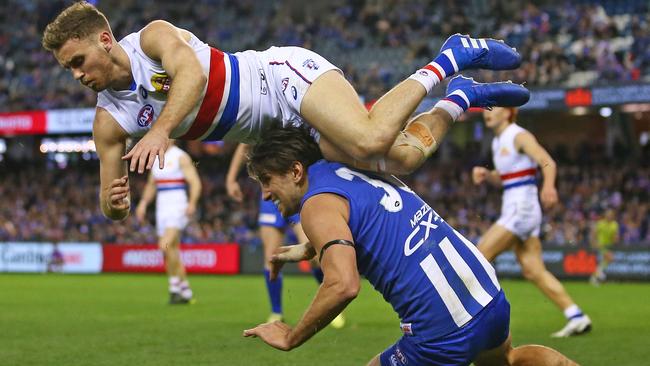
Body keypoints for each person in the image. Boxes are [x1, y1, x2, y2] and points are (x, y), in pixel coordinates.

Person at [42, 1, 529, 222]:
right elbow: (110, 201)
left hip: (281, 77)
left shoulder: (152, 37)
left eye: (79, 61)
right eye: (69, 69)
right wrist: (115, 205)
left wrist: (161, 132)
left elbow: (190, 77)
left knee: (368, 140)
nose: (78, 75)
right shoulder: (109, 120)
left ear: (105, 40)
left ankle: (451, 56)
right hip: (278, 130)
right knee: (401, 159)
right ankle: (460, 96)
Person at [242, 126, 578, 366]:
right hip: (487, 296)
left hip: (442, 331)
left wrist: (291, 337)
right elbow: (365, 221)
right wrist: (303, 250)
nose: (265, 195)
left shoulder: (316, 205)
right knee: (508, 359)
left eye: (267, 181)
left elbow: (342, 285)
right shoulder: (345, 167)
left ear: (296, 171)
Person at [471, 107, 591, 338]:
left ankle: (467, 322)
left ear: (507, 113)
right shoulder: (499, 142)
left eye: (493, 108)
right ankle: (576, 316)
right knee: (534, 270)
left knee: (477, 257)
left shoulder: (519, 135)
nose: (487, 112)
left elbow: (547, 162)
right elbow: (509, 177)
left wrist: (548, 186)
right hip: (519, 207)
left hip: (521, 208)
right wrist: (487, 175)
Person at [226, 143, 345, 327]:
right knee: (271, 256)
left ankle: (332, 306)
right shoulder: (260, 119)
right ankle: (276, 311)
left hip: (296, 190)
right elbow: (243, 146)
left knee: (314, 254)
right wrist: (231, 178)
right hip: (270, 195)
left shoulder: (294, 119)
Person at [135, 142, 201, 304]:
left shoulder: (181, 156)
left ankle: (174, 288)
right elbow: (151, 184)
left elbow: (195, 182)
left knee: (164, 244)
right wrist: (143, 203)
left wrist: (192, 202)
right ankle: (185, 291)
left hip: (177, 205)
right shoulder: (156, 156)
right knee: (171, 249)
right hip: (162, 207)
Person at [589, 208, 619, 286]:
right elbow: (594, 234)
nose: (609, 216)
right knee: (610, 258)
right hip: (601, 245)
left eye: (610, 215)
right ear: (605, 215)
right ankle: (600, 275)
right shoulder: (600, 223)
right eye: (607, 215)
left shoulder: (615, 224)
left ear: (613, 216)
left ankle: (595, 277)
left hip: (609, 246)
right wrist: (594, 243)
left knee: (606, 261)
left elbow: (615, 236)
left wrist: (615, 239)